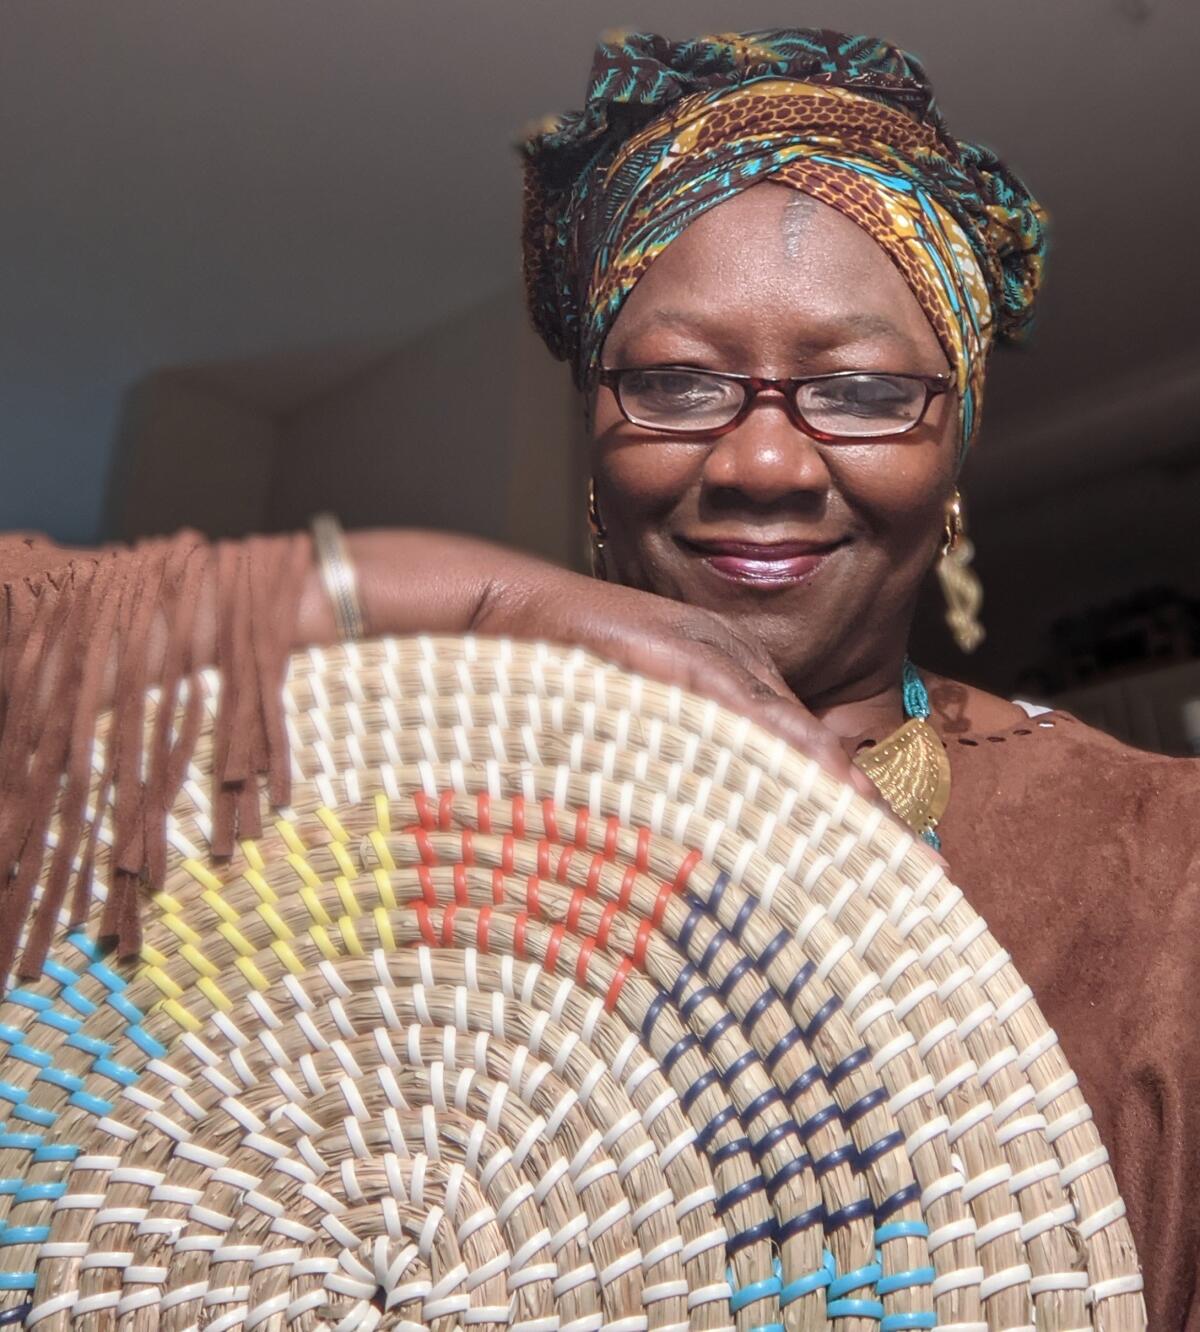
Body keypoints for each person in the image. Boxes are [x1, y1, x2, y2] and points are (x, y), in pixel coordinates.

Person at [1, 26, 1196, 1326]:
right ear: (594, 436)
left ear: (952, 447)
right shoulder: (376, 762)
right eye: (676, 382)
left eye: (857, 391)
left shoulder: (1160, 861)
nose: (765, 465)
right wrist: (485, 595)